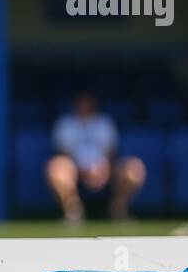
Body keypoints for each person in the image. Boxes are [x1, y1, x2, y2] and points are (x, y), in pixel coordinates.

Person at [45, 92, 146, 223]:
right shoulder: (65, 123)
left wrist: (103, 168)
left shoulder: (105, 122)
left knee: (134, 169)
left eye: (87, 102)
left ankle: (118, 210)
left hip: (105, 168)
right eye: (81, 102)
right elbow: (63, 152)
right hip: (75, 168)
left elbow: (111, 152)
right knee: (55, 168)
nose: (84, 106)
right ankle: (73, 211)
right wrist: (81, 169)